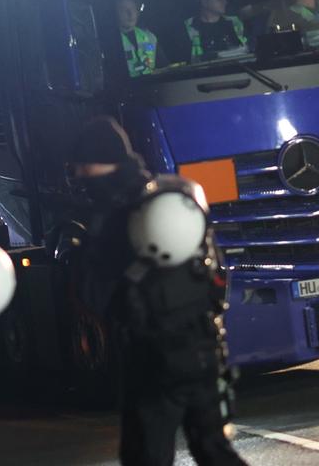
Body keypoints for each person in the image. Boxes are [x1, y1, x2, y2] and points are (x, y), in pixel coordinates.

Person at [69, 117, 244, 465]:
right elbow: (213, 271)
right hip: (203, 348)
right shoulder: (174, 197)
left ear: (93, 163)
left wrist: (81, 254)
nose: (80, 176)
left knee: (146, 458)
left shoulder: (113, 217)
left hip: (152, 359)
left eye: (82, 166)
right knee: (213, 449)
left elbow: (95, 295)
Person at [182, 0, 248, 61]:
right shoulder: (188, 26)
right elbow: (188, 59)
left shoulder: (235, 22)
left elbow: (248, 49)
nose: (225, 2)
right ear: (204, 1)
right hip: (207, 72)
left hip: (241, 71)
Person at [118, 0, 162, 76]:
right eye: (124, 10)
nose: (130, 14)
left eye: (133, 9)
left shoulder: (150, 38)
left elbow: (162, 66)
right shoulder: (112, 42)